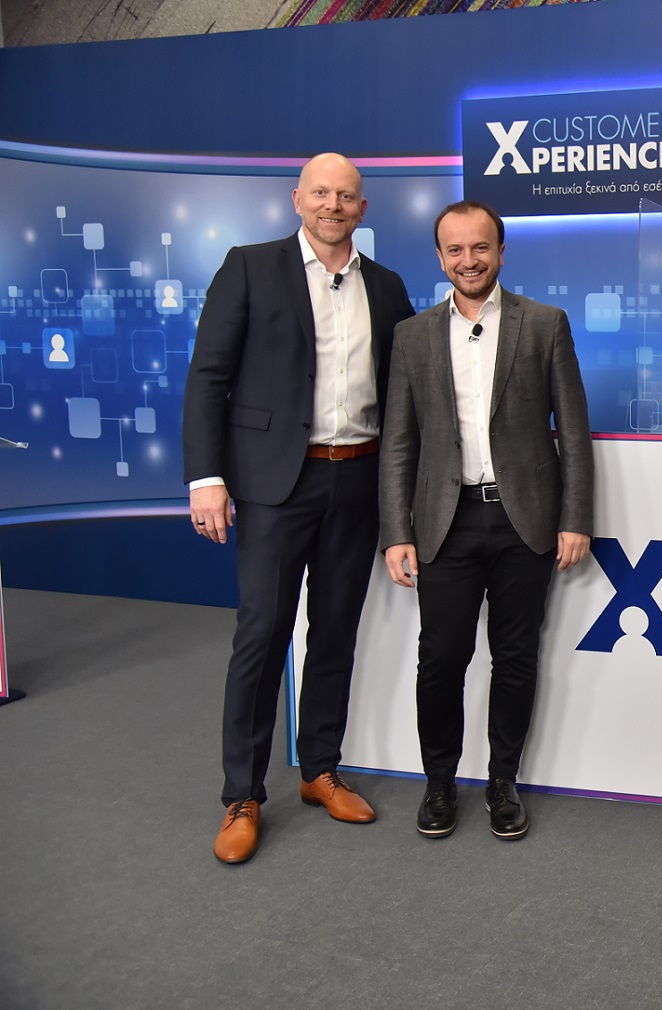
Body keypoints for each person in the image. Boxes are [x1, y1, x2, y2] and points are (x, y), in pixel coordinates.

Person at [183, 153, 415, 864]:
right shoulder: (249, 267)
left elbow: (406, 390)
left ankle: (319, 770)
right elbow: (208, 376)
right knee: (262, 636)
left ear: (362, 209)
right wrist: (206, 478)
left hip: (359, 480)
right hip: (274, 485)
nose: (332, 205)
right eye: (321, 193)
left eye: (345, 195)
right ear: (297, 199)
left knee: (336, 632)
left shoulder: (387, 286)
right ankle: (242, 795)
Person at [378, 200, 593, 842]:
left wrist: (575, 517)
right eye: (455, 250)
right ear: (440, 257)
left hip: (525, 521)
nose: (468, 261)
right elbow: (398, 442)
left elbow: (573, 432)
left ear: (500, 251)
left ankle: (503, 782)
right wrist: (396, 531)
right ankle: (439, 782)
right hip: (444, 522)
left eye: (480, 248)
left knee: (516, 656)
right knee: (441, 659)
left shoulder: (545, 324)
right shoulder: (412, 335)